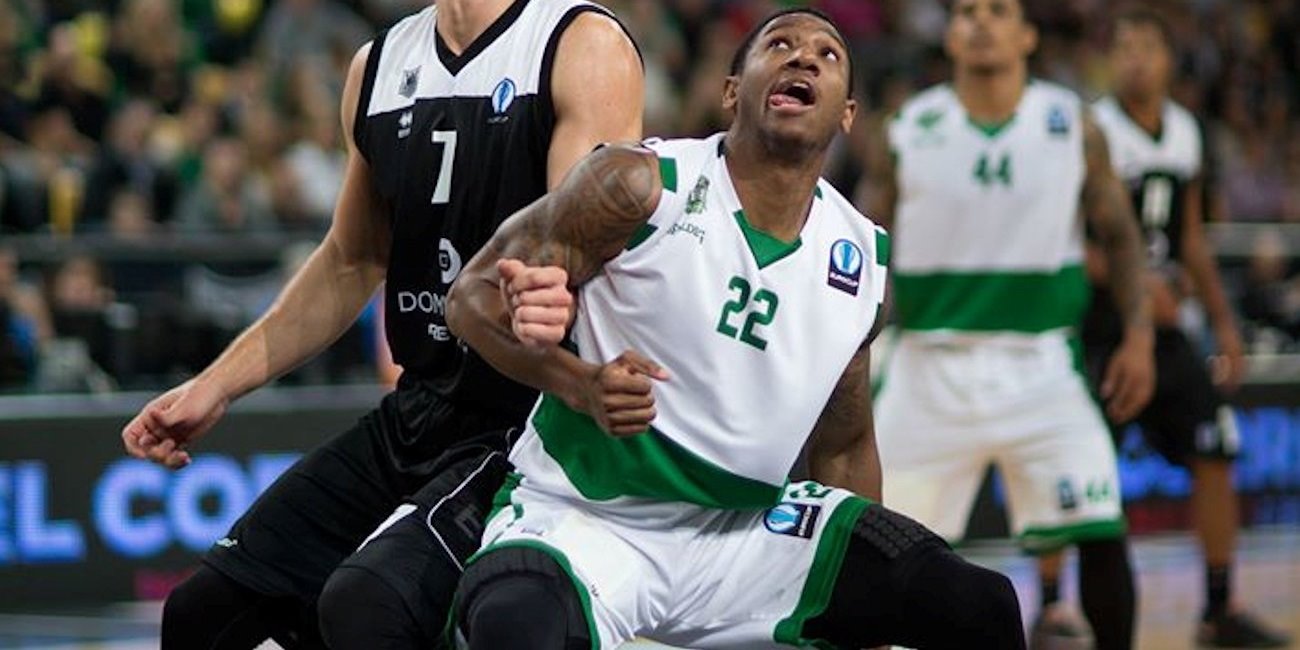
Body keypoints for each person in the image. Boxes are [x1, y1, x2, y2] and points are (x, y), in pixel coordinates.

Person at [445, 9, 1025, 649]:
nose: (803, 58)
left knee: (978, 605)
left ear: (847, 115)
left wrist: (873, 624)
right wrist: (580, 384)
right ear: (731, 91)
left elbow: (845, 447)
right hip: (590, 517)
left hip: (746, 535)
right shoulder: (639, 184)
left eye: (828, 54)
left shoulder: (861, 259)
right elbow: (470, 297)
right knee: (516, 626)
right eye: (779, 45)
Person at [119, 0, 643, 647]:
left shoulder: (579, 43)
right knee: (200, 612)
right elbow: (352, 259)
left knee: (367, 606)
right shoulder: (378, 65)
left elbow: (579, 238)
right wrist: (216, 386)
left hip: (531, 417)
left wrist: (552, 286)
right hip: (419, 408)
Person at [859, 0, 1156, 649]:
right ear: (951, 38)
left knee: (1101, 527)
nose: (981, 22)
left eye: (998, 10)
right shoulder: (906, 128)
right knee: (879, 549)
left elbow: (1120, 234)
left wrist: (1139, 335)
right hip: (927, 365)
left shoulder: (1071, 125)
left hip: (1042, 363)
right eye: (967, 12)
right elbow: (861, 245)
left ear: (1026, 36)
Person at [1036, 9, 1290, 648]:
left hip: (1167, 330)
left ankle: (1218, 606)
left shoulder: (1185, 132)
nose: (1136, 59)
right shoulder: (1091, 129)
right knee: (1069, 461)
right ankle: (1051, 607)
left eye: (1147, 47)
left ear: (1169, 60)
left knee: (1216, 447)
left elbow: (1193, 239)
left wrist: (1223, 322)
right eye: (1124, 47)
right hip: (1097, 322)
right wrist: (1139, 288)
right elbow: (1063, 236)